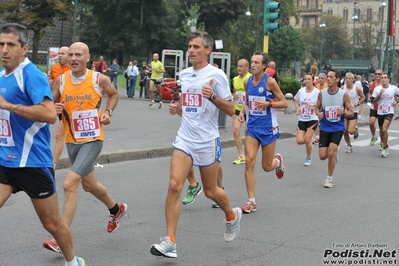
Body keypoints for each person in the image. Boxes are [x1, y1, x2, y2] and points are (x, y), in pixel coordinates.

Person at [150, 31, 242, 258]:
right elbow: (188, 104)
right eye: (189, 46)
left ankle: (231, 215)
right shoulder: (185, 74)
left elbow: (232, 110)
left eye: (196, 47)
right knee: (174, 186)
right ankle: (170, 241)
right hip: (185, 138)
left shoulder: (217, 75)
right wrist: (178, 108)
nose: (191, 50)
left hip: (207, 140)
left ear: (207, 50)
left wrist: (213, 97)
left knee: (211, 191)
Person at [0, 23, 85, 266]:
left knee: (52, 224)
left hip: (33, 164)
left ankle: (73, 262)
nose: (4, 50)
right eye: (1, 44)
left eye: (11, 45)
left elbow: (49, 114)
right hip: (5, 162)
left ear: (24, 49)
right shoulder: (1, 77)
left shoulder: (31, 75)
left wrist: (9, 106)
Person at [43, 41, 127, 254]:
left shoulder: (99, 79)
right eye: (70, 54)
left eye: (78, 55)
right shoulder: (61, 81)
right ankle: (116, 209)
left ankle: (61, 237)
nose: (73, 58)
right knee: (89, 185)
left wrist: (108, 112)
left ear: (87, 58)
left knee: (70, 183)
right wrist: (55, 107)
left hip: (92, 140)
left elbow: (114, 94)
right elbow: (48, 107)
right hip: (72, 142)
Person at [239, 51, 287, 214]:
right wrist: (243, 112)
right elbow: (248, 100)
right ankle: (251, 201)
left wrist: (268, 104)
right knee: (249, 161)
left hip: (268, 128)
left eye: (257, 63)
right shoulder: (248, 82)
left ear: (264, 66)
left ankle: (277, 162)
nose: (253, 65)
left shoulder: (270, 82)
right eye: (252, 62)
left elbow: (285, 103)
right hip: (252, 127)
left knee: (266, 166)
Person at [315, 69, 354, 188]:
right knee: (322, 156)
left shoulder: (343, 94)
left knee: (330, 153)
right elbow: (317, 107)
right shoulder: (322, 93)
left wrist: (343, 113)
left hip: (338, 127)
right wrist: (318, 114)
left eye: (331, 77)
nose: (329, 79)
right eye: (328, 76)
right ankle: (334, 153)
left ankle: (329, 178)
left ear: (337, 79)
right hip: (325, 127)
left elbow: (351, 112)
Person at [49, 46, 70, 169]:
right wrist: (51, 83)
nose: (60, 55)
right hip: (56, 105)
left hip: (68, 106)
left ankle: (52, 165)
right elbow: (52, 82)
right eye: (59, 53)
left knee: (58, 135)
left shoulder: (72, 69)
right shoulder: (55, 68)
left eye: (63, 53)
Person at [294, 73, 319, 166]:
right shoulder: (301, 91)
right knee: (299, 141)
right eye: (305, 79)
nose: (307, 81)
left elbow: (321, 105)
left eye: (309, 79)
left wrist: (313, 105)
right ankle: (309, 141)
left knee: (308, 140)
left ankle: (308, 158)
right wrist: (298, 108)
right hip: (302, 118)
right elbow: (295, 100)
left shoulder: (317, 92)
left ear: (313, 80)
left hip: (312, 119)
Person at [371, 73, 399, 157]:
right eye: (382, 77)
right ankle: (385, 145)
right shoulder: (377, 89)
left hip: (389, 112)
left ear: (388, 79)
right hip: (380, 112)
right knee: (382, 131)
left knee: (384, 129)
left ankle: (384, 147)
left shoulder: (393, 88)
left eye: (385, 78)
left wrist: (396, 101)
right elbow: (373, 102)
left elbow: (398, 95)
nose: (383, 79)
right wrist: (379, 95)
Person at [231, 59, 251, 165]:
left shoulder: (250, 79)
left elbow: (249, 97)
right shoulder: (234, 79)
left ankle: (249, 154)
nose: (239, 68)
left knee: (247, 133)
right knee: (235, 130)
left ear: (247, 68)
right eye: (238, 66)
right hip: (238, 109)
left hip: (248, 109)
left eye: (241, 66)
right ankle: (241, 155)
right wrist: (234, 96)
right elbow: (235, 91)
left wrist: (244, 108)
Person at [341, 72, 365, 153]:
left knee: (350, 131)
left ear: (353, 79)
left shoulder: (356, 88)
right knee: (344, 130)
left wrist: (358, 102)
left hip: (354, 111)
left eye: (349, 78)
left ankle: (355, 130)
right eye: (346, 78)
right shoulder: (342, 88)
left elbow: (363, 97)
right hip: (345, 112)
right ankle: (349, 145)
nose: (348, 80)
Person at [368, 69, 382, 148]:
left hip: (382, 108)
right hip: (373, 106)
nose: (377, 75)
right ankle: (374, 136)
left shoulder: (384, 84)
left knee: (381, 127)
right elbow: (370, 92)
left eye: (379, 74)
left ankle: (382, 142)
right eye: (376, 73)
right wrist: (369, 98)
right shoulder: (371, 83)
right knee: (371, 122)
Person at [313, 72, 328, 145]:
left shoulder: (327, 86)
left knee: (323, 123)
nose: (320, 80)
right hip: (317, 107)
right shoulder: (316, 86)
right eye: (319, 78)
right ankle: (317, 137)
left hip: (325, 107)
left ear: (325, 79)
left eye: (322, 78)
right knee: (316, 121)